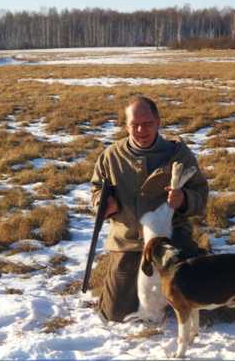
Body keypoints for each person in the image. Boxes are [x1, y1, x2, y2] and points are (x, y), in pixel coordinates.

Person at [90, 95, 209, 322]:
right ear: (126, 126)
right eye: (135, 125)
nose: (141, 130)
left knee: (201, 305)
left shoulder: (178, 154)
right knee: (115, 313)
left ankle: (195, 261)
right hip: (129, 240)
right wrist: (102, 204)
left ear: (158, 122)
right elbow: (96, 190)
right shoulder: (110, 156)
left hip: (171, 237)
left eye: (147, 124)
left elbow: (201, 195)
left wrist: (184, 199)